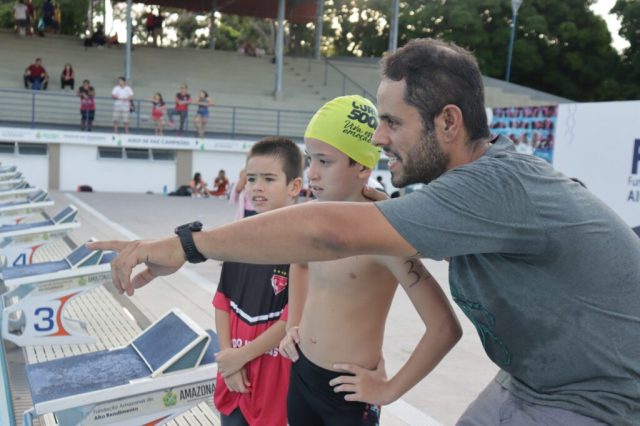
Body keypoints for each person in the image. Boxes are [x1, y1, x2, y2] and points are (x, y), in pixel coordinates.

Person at [92, 38, 640, 426]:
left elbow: (328, 233)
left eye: (392, 122)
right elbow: (327, 241)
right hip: (530, 382)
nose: (377, 138)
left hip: (600, 399)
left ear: (449, 122)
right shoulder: (469, 193)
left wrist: (185, 245)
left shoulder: (496, 186)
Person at [277, 95, 461, 425]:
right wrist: (294, 323)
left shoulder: (384, 238)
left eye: (324, 161)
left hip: (349, 395)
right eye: (309, 160)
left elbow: (444, 328)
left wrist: (389, 390)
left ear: (362, 165)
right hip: (302, 373)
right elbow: (300, 262)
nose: (311, 173)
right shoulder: (314, 220)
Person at [214, 136, 303, 426]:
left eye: (268, 178)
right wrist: (229, 361)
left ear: (294, 186)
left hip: (273, 384)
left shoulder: (302, 248)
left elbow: (290, 320)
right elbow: (222, 303)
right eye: (251, 178)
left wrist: (239, 357)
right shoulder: (236, 239)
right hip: (233, 378)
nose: (257, 187)